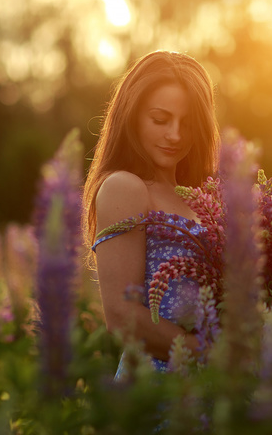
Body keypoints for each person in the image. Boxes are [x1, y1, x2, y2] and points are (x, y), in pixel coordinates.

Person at [82, 51, 220, 376]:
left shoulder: (205, 197)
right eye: (160, 119)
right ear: (132, 116)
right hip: (155, 390)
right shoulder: (125, 188)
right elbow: (121, 317)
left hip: (214, 395)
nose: (175, 135)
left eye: (187, 124)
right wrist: (212, 356)